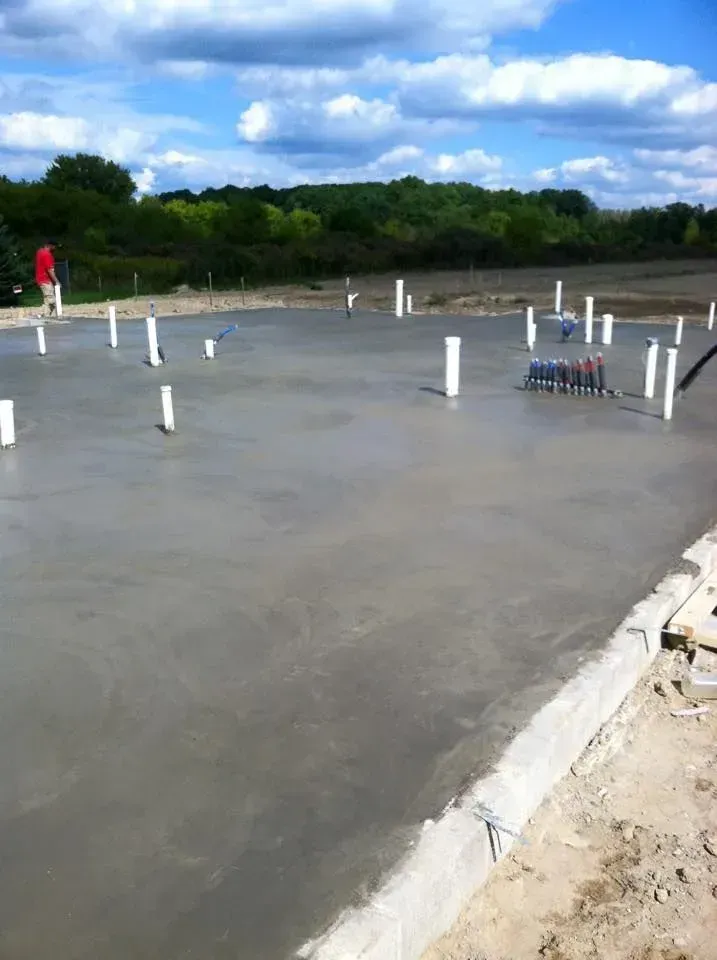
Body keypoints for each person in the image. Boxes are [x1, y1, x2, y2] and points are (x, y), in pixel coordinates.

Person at [35, 240, 59, 317]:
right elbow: (50, 270)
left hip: (40, 279)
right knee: (51, 300)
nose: (55, 248)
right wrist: (57, 281)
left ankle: (47, 316)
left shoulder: (40, 251)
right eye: (54, 246)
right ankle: (49, 316)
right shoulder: (47, 255)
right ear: (50, 245)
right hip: (46, 280)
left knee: (47, 300)